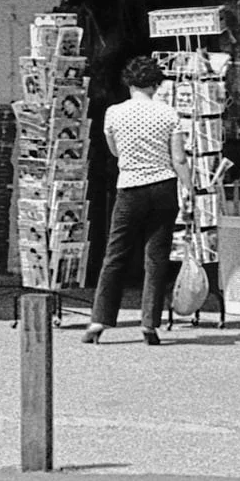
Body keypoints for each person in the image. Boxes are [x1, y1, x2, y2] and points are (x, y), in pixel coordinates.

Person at [86, 54, 187, 347]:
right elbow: (178, 157)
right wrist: (189, 188)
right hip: (163, 186)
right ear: (156, 85)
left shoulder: (114, 113)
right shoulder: (168, 114)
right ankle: (149, 324)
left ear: (128, 83)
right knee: (155, 258)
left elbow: (115, 151)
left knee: (115, 254)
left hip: (130, 187)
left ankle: (99, 320)